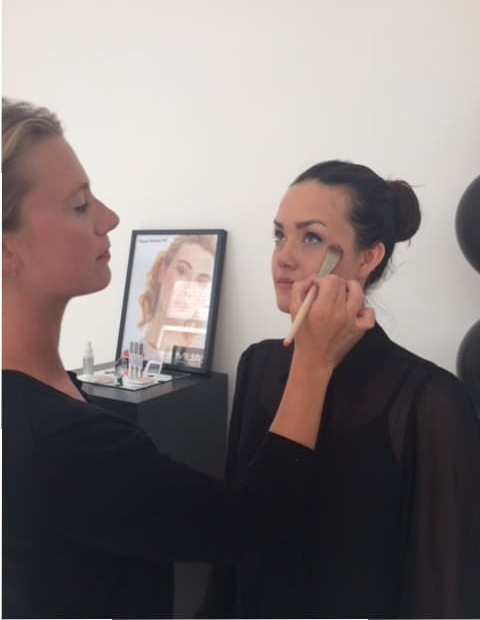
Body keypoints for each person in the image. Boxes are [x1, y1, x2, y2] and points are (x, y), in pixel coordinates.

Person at [1, 100, 375, 619]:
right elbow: (248, 527)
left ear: (370, 257)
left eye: (311, 237)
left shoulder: (46, 401)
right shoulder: (54, 441)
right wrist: (312, 364)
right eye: (80, 205)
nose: (110, 218)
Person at [199, 160, 480, 619]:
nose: (283, 257)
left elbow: (442, 593)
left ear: (368, 258)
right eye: (279, 236)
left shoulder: (429, 401)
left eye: (310, 238)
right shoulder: (258, 365)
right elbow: (234, 553)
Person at [138, 234, 216, 365]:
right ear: (161, 271)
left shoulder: (198, 357)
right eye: (182, 271)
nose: (188, 290)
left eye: (202, 282)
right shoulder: (132, 352)